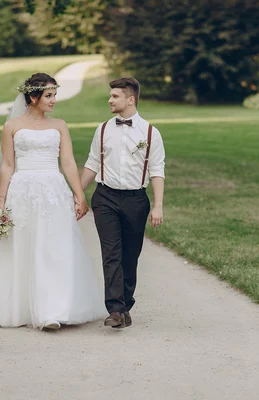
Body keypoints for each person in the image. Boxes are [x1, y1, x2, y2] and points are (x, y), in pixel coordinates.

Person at [0, 73, 105, 330]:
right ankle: (23, 307)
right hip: (23, 191)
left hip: (53, 190)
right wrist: (1, 201)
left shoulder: (60, 125)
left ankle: (55, 309)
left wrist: (79, 195)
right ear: (33, 97)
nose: (54, 100)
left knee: (55, 247)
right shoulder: (12, 126)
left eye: (55, 95)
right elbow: (8, 165)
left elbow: (67, 162)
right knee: (25, 247)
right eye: (49, 95)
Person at [80, 77, 166, 329]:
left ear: (131, 99)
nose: (110, 100)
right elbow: (92, 164)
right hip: (105, 197)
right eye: (110, 95)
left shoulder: (150, 133)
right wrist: (75, 193)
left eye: (115, 96)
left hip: (135, 200)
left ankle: (125, 304)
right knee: (111, 254)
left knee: (130, 256)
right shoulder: (103, 129)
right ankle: (115, 310)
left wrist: (158, 205)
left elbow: (157, 169)